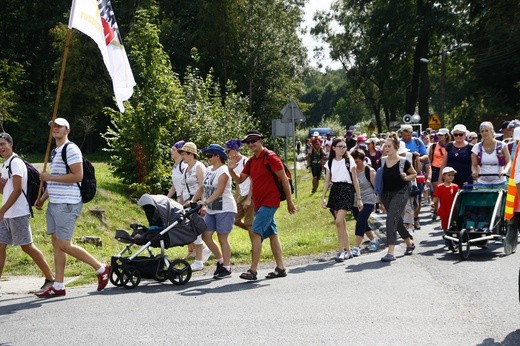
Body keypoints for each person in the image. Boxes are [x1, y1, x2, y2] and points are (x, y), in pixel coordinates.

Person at [36, 118, 109, 298]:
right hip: (55, 203)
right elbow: (55, 180)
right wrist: (43, 198)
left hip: (68, 203)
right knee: (56, 244)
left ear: (67, 129)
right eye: (53, 126)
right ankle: (59, 285)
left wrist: (50, 177)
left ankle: (101, 268)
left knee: (64, 244)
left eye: (59, 126)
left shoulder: (71, 149)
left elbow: (77, 176)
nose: (55, 128)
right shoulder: (55, 151)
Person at [228, 130, 296, 281]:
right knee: (272, 233)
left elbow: (284, 180)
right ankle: (280, 268)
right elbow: (240, 180)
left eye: (254, 141)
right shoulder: (252, 161)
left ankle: (253, 270)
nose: (251, 144)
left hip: (270, 201)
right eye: (249, 142)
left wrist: (290, 202)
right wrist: (231, 170)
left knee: (256, 232)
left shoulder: (270, 157)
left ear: (261, 141)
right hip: (258, 203)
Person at [0, 132, 55, 296]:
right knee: (0, 246)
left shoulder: (16, 163)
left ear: (11, 144)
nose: (1, 148)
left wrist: (2, 210)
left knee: (27, 246)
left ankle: (51, 278)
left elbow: (17, 190)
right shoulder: (5, 164)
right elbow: (5, 190)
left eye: (3, 144)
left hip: (17, 212)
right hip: (7, 214)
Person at [192, 144, 237, 279]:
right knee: (206, 235)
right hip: (212, 209)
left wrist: (205, 202)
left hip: (225, 208)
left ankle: (227, 268)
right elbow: (202, 187)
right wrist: (193, 200)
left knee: (222, 238)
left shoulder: (224, 171)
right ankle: (221, 260)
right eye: (207, 156)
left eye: (210, 156)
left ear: (218, 156)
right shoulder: (208, 169)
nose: (207, 158)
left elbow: (219, 191)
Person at [321, 138, 363, 262]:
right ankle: (348, 250)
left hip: (347, 189)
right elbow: (327, 181)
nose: (342, 149)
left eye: (344, 147)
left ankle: (341, 251)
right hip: (335, 190)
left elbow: (355, 180)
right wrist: (323, 196)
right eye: (340, 146)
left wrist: (359, 198)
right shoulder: (329, 162)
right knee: (341, 223)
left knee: (338, 221)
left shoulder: (349, 161)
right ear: (333, 148)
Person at [378, 133, 417, 262]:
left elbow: (414, 174)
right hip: (386, 194)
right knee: (396, 220)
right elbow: (379, 180)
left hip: (401, 192)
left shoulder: (403, 161)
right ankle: (409, 243)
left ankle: (390, 252)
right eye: (385, 146)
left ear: (396, 147)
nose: (386, 148)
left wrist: (406, 177)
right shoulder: (382, 161)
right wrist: (379, 199)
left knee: (390, 220)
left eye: (389, 146)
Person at [178, 141, 212, 271]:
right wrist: (181, 205)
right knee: (192, 230)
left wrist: (203, 204)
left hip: (197, 203)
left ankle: (199, 260)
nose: (182, 156)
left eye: (184, 154)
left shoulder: (199, 167)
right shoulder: (186, 168)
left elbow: (203, 187)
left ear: (191, 154)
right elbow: (183, 189)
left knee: (196, 231)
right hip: (188, 203)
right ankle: (204, 251)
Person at [166, 140, 193, 258]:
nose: (171, 152)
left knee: (186, 224)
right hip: (179, 198)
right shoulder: (175, 166)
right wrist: (166, 198)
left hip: (185, 198)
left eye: (173, 150)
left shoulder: (183, 166)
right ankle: (191, 250)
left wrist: (182, 200)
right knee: (184, 224)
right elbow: (174, 185)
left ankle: (198, 249)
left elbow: (184, 183)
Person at [350, 149, 379, 255]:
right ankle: (373, 240)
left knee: (361, 220)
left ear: (363, 160)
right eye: (353, 162)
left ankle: (356, 247)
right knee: (361, 221)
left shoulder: (369, 171)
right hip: (355, 201)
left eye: (357, 161)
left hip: (368, 199)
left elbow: (377, 188)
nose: (355, 164)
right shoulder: (351, 171)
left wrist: (380, 203)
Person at [224, 139, 253, 232]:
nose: (227, 154)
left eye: (228, 151)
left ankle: (256, 241)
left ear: (235, 149)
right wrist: (237, 197)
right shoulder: (233, 162)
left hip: (249, 195)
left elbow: (253, 180)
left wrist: (249, 198)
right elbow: (238, 182)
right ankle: (257, 234)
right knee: (235, 220)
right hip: (241, 195)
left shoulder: (246, 161)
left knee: (249, 223)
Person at [431, 167, 460, 247]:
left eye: (452, 175)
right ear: (443, 176)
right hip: (444, 210)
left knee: (455, 224)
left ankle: (455, 238)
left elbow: (459, 196)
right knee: (445, 226)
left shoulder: (455, 186)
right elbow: (436, 197)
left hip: (454, 211)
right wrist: (433, 203)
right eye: (449, 175)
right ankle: (446, 237)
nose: (451, 177)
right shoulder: (440, 187)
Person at [441, 124, 474, 189]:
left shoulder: (471, 147)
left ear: (465, 135)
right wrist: (440, 179)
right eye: (456, 134)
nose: (458, 136)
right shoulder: (449, 146)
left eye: (461, 134)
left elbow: (474, 164)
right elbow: (443, 164)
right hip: (450, 180)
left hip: (466, 180)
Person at [429, 128, 450, 192]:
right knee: (437, 190)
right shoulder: (434, 146)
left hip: (447, 170)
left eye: (441, 135)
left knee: (447, 190)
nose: (439, 136)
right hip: (435, 169)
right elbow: (429, 159)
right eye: (438, 135)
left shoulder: (450, 146)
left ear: (446, 136)